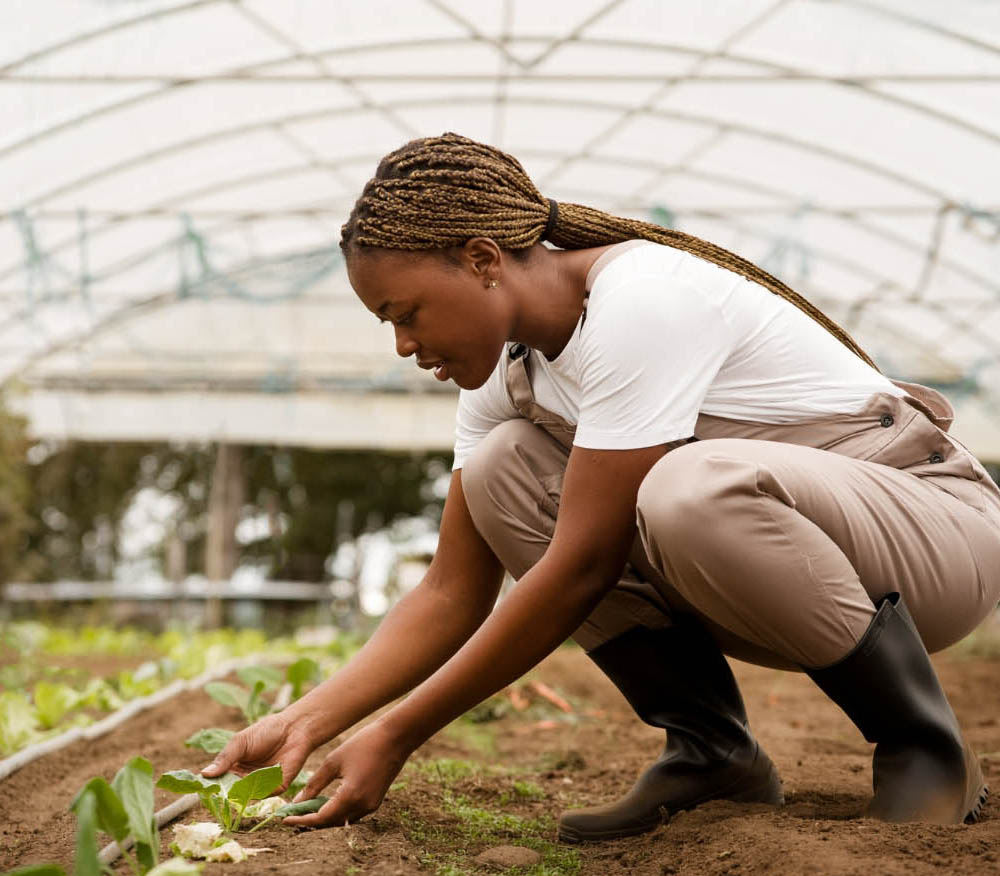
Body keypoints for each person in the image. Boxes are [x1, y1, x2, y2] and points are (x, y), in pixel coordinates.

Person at [203, 132, 1000, 838]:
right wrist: (306, 720)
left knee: (688, 488)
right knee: (502, 471)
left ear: (482, 260)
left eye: (406, 313)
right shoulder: (504, 376)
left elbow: (580, 566)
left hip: (932, 535)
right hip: (785, 568)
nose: (405, 344)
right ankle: (711, 750)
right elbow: (451, 590)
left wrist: (399, 733)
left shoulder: (644, 302)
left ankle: (921, 742)